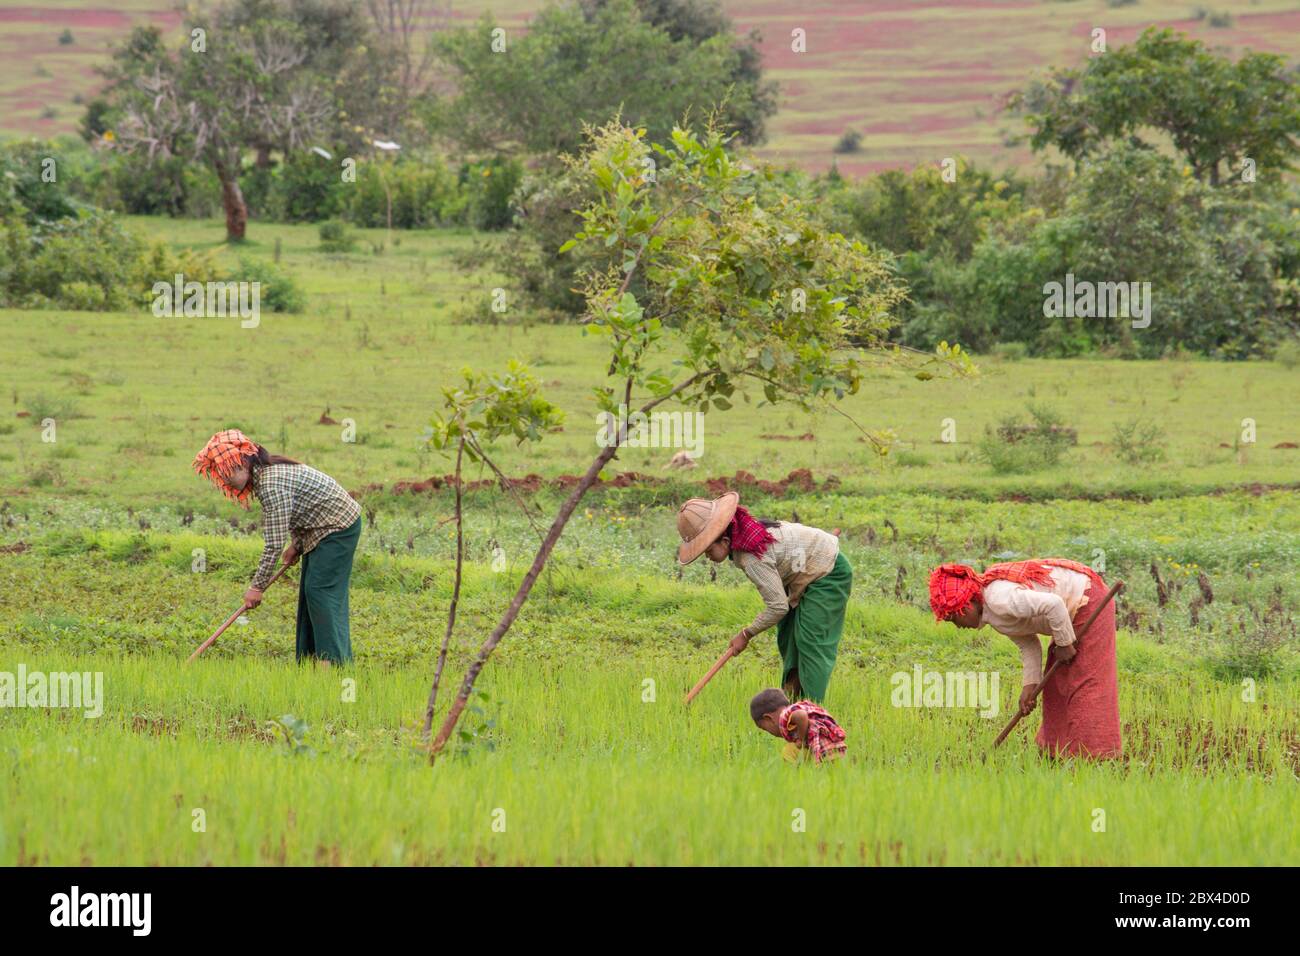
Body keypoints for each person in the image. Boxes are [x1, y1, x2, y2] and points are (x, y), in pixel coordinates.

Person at [192, 429, 362, 666]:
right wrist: (297, 544)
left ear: (243, 462)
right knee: (310, 594)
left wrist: (256, 587)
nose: (225, 478)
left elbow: (273, 544)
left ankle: (333, 664)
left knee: (320, 593)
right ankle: (312, 661)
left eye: (228, 470)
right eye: (220, 473)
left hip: (338, 528)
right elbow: (299, 510)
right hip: (318, 528)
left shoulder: (270, 484)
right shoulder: (265, 476)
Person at [929, 558, 1121, 758]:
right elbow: (1028, 643)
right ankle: (1056, 753)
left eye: (954, 618)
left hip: (1088, 598)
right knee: (1056, 684)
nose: (958, 626)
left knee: (1086, 682)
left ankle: (1095, 756)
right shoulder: (993, 614)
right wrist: (1030, 686)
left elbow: (1054, 605)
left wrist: (1064, 644)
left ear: (966, 605)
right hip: (1066, 615)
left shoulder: (999, 599)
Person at [676, 492, 852, 702]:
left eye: (707, 549)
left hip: (827, 572)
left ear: (724, 540)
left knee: (810, 642)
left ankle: (813, 714)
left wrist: (746, 633)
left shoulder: (750, 557)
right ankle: (792, 702)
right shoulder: (744, 532)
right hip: (799, 574)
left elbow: (778, 607)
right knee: (788, 639)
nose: (707, 556)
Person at [750, 688, 847, 764]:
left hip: (825, 750)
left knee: (788, 751)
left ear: (768, 718)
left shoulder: (785, 716)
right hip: (835, 746)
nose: (770, 733)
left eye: (765, 729)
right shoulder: (793, 712)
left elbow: (801, 715)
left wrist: (801, 739)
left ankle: (792, 777)